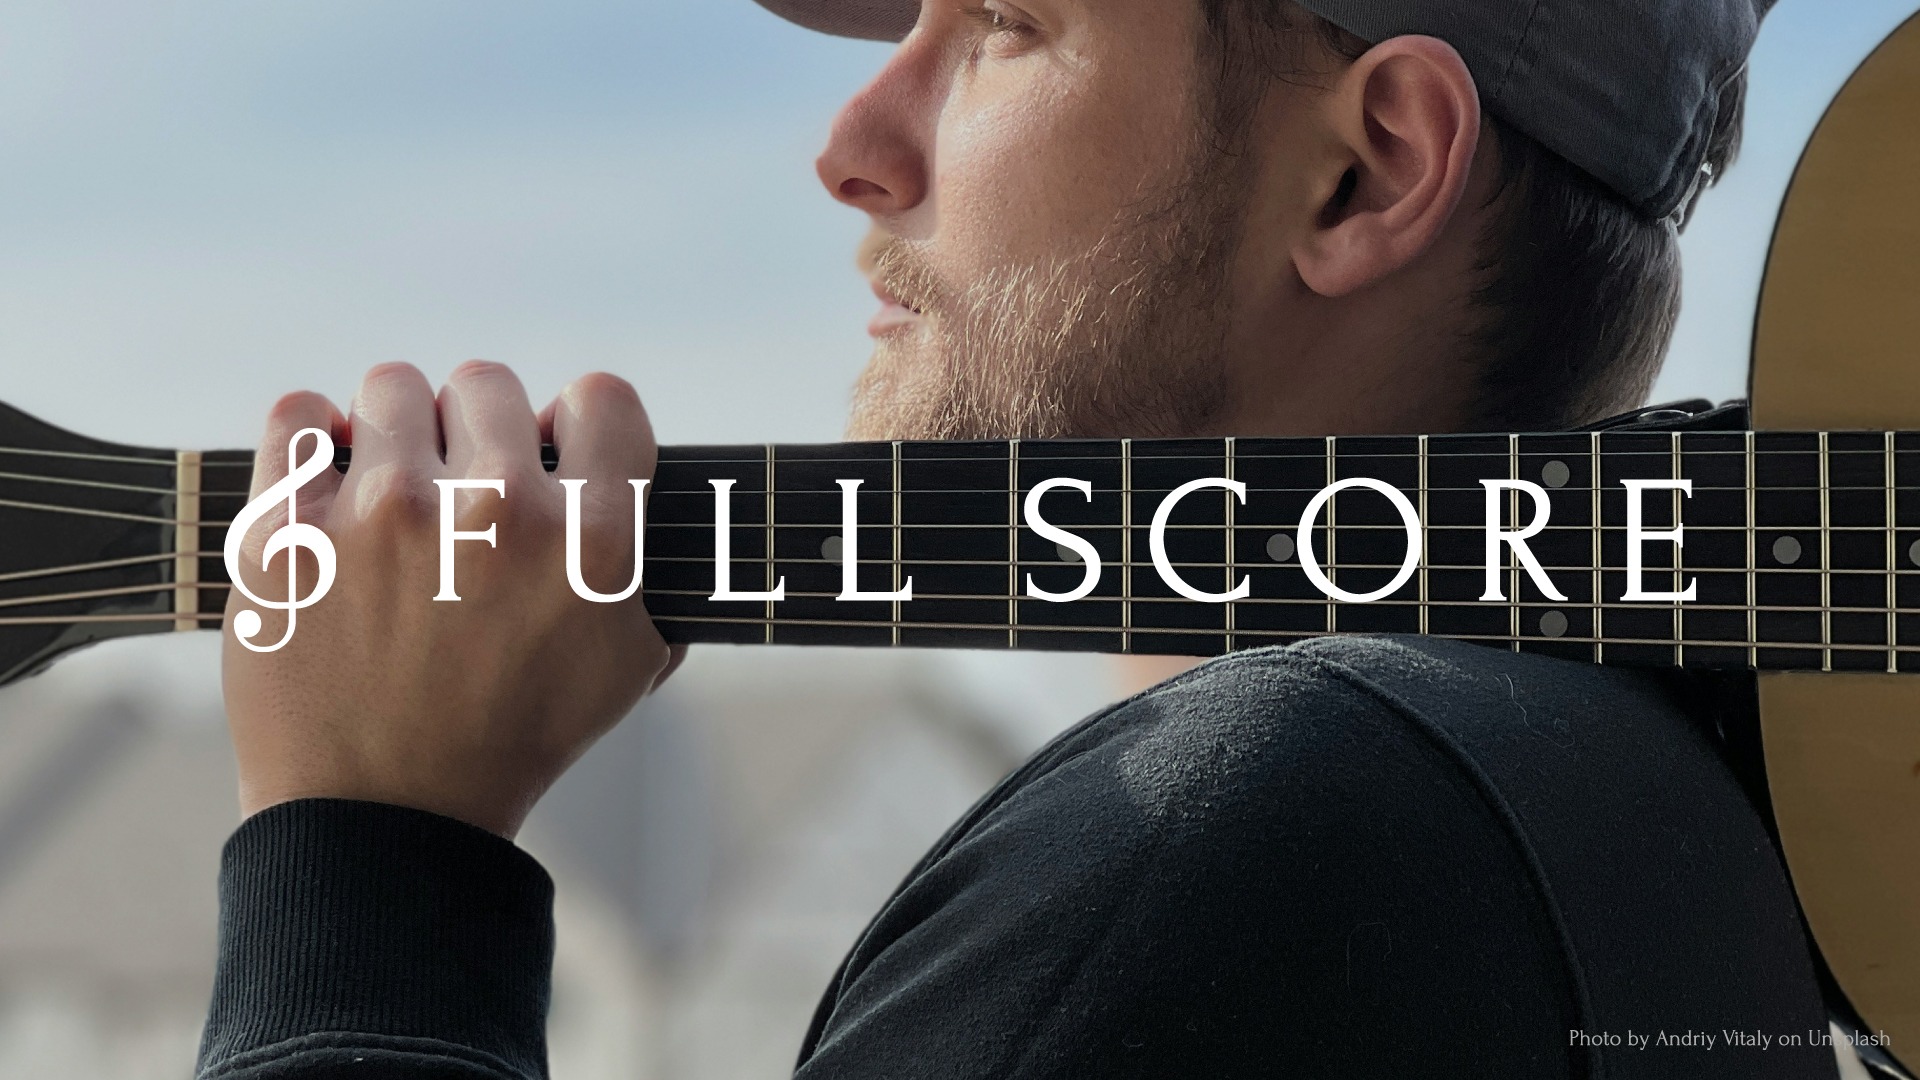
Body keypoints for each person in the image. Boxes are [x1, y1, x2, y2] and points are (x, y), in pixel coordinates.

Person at [198, 1, 1845, 1078]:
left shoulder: (1226, 848)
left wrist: (372, 871)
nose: (854, 145)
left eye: (1000, 24)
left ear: (1363, 173)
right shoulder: (1651, 804)